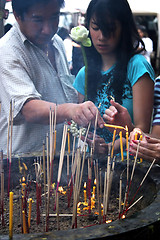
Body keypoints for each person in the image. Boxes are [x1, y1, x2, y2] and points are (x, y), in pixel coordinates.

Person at [0, 0, 104, 156]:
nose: (48, 29)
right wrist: (70, 110)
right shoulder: (7, 51)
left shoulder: (57, 43)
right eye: (38, 20)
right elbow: (28, 108)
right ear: (17, 16)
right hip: (22, 164)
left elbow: (63, 102)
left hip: (62, 162)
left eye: (54, 17)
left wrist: (81, 134)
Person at [73, 0, 154, 154]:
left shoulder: (137, 67)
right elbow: (77, 124)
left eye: (110, 28)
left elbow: (142, 130)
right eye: (96, 28)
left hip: (128, 168)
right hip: (91, 169)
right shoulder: (84, 73)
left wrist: (109, 148)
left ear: (124, 28)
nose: (102, 36)